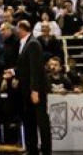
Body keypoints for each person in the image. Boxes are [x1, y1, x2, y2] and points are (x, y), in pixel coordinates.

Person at [14, 20, 50, 155]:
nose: (16, 31)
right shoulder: (26, 43)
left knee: (41, 121)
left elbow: (35, 69)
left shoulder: (33, 44)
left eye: (17, 28)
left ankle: (46, 151)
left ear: (22, 29)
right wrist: (13, 73)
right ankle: (33, 149)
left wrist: (35, 90)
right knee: (30, 120)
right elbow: (25, 67)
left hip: (35, 90)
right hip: (28, 89)